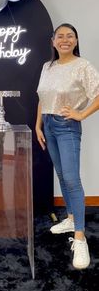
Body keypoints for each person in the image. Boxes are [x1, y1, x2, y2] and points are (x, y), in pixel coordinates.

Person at [36, 23, 99, 270]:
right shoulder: (47, 67)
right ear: (53, 41)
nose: (64, 39)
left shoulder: (82, 66)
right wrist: (38, 125)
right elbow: (42, 99)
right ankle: (71, 219)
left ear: (75, 41)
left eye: (69, 36)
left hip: (67, 126)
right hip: (49, 125)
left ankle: (81, 238)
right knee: (61, 174)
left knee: (72, 179)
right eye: (60, 36)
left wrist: (81, 114)